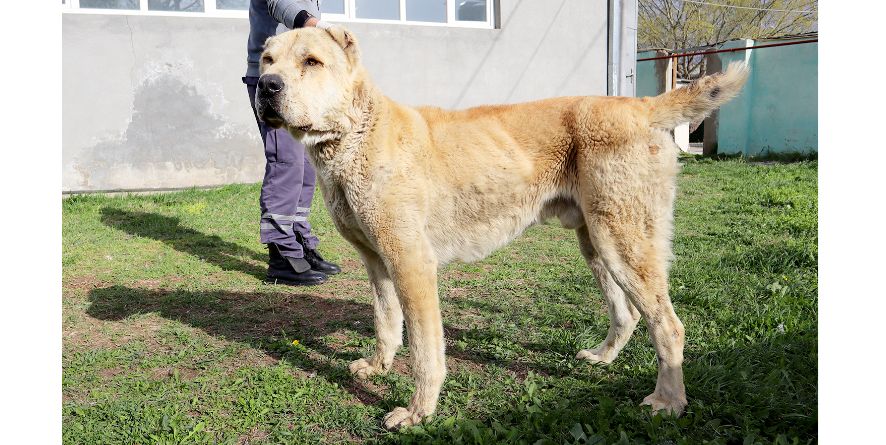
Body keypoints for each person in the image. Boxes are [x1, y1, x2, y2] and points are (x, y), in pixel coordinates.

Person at [243, 0, 340, 286]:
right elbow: (278, 3)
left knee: (307, 164)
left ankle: (298, 238)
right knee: (287, 162)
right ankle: (281, 253)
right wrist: (317, 26)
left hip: (300, 78)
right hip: (273, 79)